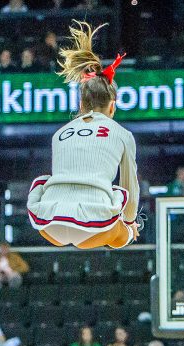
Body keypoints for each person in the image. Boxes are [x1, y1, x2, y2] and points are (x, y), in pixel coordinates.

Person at [27, 21, 140, 249]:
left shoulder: (59, 134)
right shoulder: (122, 134)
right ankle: (128, 234)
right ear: (112, 107)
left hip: (49, 222)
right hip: (95, 225)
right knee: (122, 202)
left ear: (81, 104)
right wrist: (129, 225)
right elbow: (130, 189)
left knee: (44, 182)